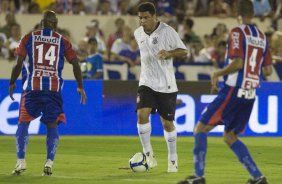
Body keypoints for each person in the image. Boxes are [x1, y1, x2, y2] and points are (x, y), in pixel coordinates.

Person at [177, 1, 272, 184]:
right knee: (230, 137)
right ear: (253, 14)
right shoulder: (262, 37)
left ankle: (198, 176)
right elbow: (267, 71)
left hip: (233, 90)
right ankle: (258, 177)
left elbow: (237, 63)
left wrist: (217, 73)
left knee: (200, 128)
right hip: (250, 93)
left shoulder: (237, 32)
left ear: (237, 13)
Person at [9, 10, 87, 176]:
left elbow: (18, 63)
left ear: (42, 23)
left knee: (23, 123)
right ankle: (49, 163)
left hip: (32, 89)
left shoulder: (28, 37)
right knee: (52, 125)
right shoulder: (62, 41)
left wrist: (12, 82)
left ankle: (20, 162)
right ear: (55, 24)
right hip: (53, 89)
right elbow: (75, 63)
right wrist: (80, 86)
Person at [134, 2, 187, 173]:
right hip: (146, 82)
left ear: (154, 17)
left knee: (167, 124)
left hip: (166, 85)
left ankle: (173, 159)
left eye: (146, 18)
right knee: (142, 114)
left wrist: (169, 53)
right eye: (140, 18)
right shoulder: (138, 33)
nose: (142, 21)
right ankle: (148, 156)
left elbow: (184, 51)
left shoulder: (167, 31)